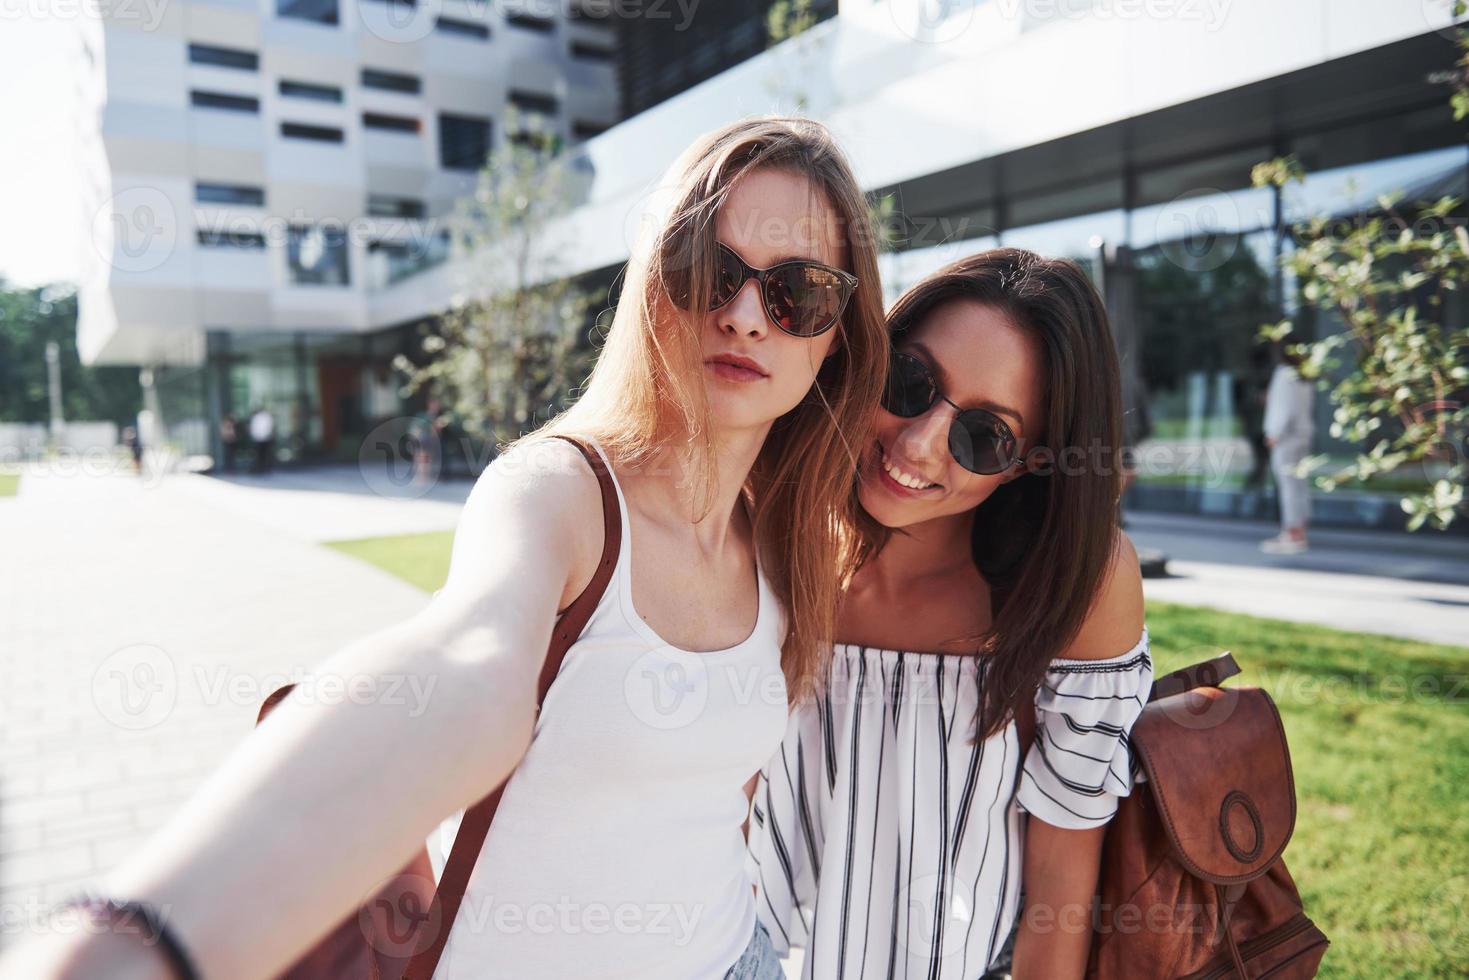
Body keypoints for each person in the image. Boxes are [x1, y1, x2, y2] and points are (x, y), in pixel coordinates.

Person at [0, 116, 889, 980]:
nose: (742, 315)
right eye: (708, 269)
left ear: (838, 335)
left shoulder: (784, 546)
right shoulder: (559, 493)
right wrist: (138, 948)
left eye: (797, 291)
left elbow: (712, 800)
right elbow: (463, 667)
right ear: (653, 281)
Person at [747, 249, 1154, 980]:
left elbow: (1060, 876)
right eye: (911, 382)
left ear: (1032, 460)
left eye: (984, 436)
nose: (915, 444)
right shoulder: (763, 533)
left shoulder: (1075, 586)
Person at [1261, 344, 1315, 554]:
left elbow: (1284, 407)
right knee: (1299, 483)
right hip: (1303, 434)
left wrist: (1274, 433)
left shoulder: (1284, 373)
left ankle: (1292, 533)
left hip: (1286, 437)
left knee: (1288, 485)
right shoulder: (1304, 373)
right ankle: (1300, 528)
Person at [248, 406, 274, 475]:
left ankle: (262, 468)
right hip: (263, 438)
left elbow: (254, 428)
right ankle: (263, 468)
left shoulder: (258, 417)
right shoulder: (266, 417)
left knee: (261, 455)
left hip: (260, 438)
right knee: (263, 455)